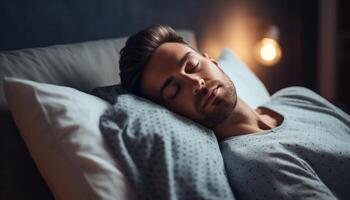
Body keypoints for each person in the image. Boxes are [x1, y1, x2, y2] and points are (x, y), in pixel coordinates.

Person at [119, 24, 350, 199]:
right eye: (174, 90)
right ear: (170, 112)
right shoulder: (256, 162)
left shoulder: (296, 96)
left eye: (192, 66)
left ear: (212, 61)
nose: (196, 84)